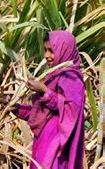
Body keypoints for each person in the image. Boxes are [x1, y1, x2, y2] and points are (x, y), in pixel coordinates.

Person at [11, 31, 85, 168]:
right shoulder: (52, 77)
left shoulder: (71, 78)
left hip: (58, 144)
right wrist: (16, 108)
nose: (46, 56)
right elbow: (42, 113)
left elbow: (70, 110)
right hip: (44, 140)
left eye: (51, 51)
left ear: (64, 50)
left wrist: (45, 91)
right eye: (45, 50)